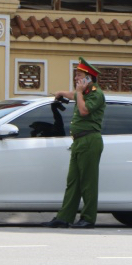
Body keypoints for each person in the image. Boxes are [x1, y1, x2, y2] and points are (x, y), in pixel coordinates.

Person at [42, 57, 106, 229]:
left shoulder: (96, 93)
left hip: (90, 140)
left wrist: (77, 92)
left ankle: (88, 218)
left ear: (89, 78)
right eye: (76, 75)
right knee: (73, 181)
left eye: (79, 76)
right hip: (79, 141)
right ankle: (64, 217)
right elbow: (75, 96)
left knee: (88, 182)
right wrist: (63, 93)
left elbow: (84, 110)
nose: (76, 79)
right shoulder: (85, 93)